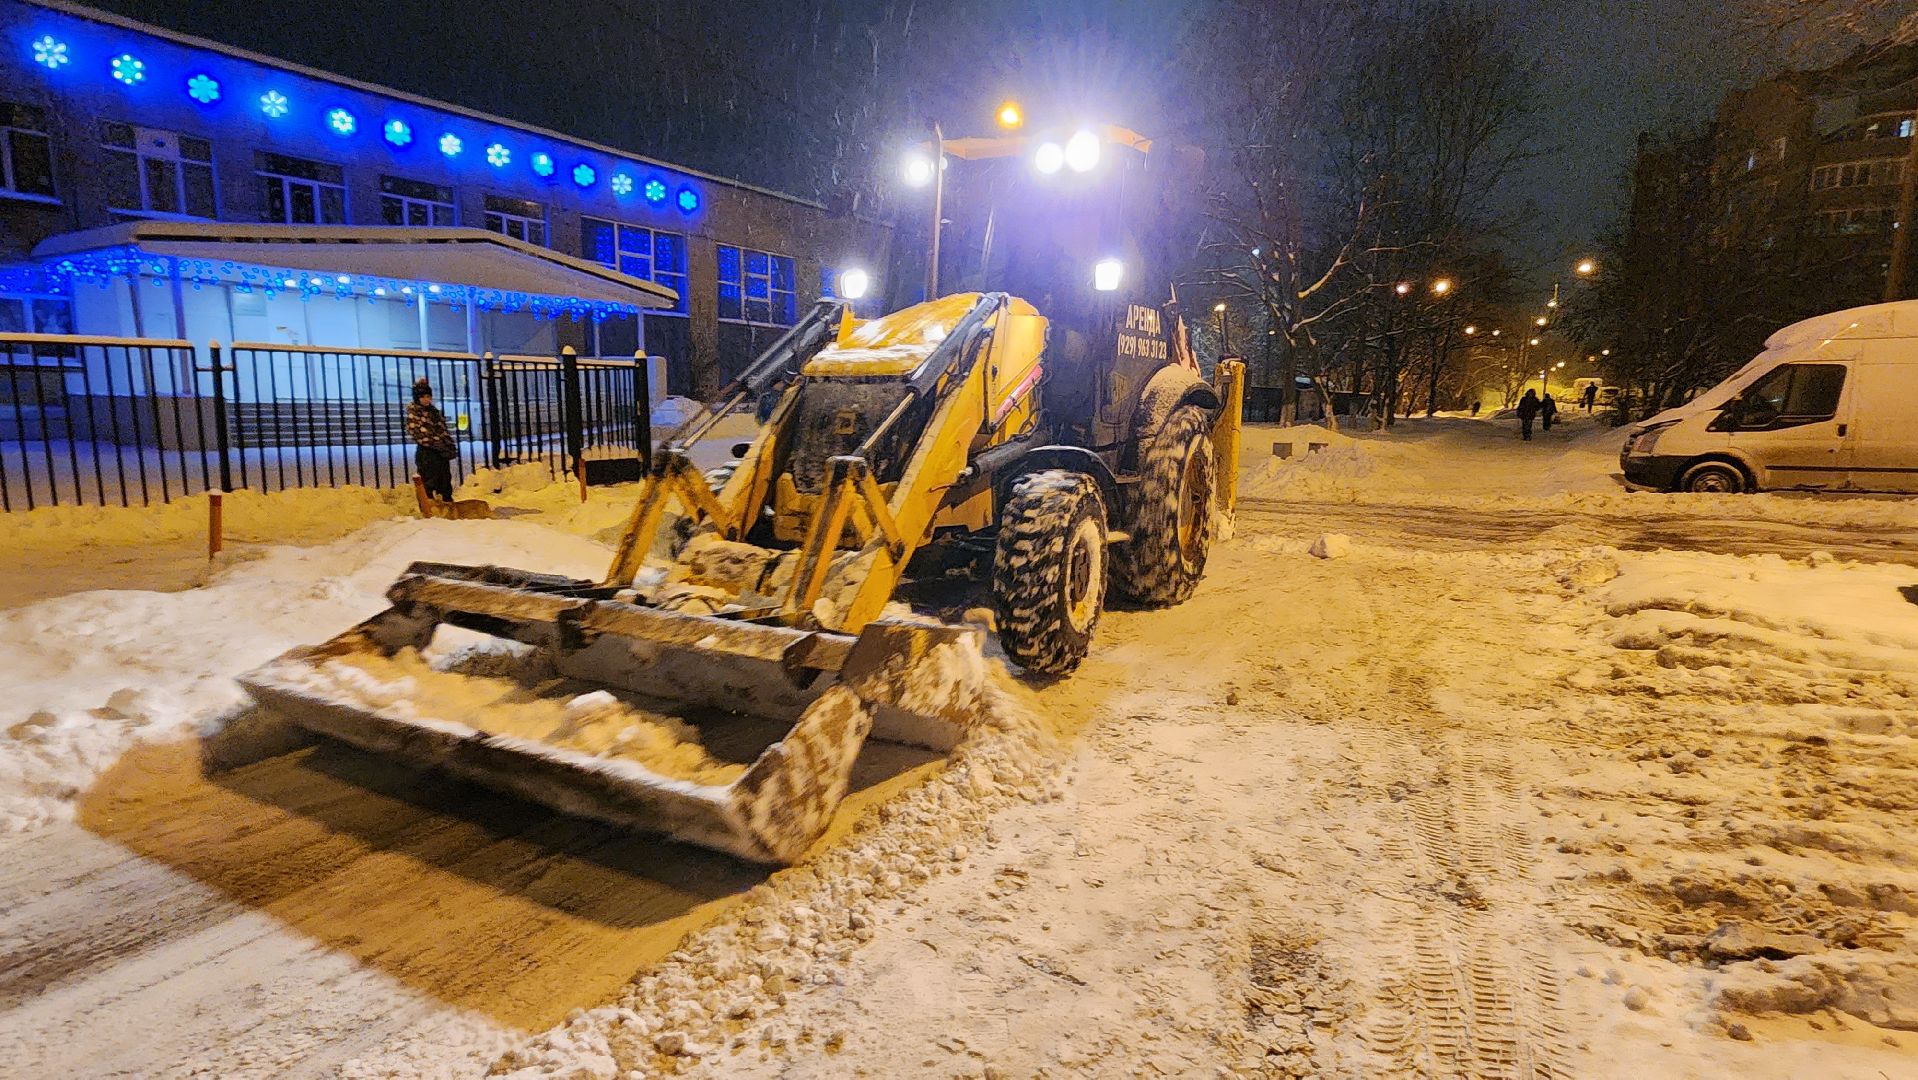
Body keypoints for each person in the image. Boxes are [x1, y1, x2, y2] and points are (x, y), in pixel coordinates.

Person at [406, 377, 458, 501]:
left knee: (444, 479)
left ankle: (446, 501)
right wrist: (435, 442)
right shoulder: (414, 413)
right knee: (429, 479)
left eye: (428, 396)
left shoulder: (434, 412)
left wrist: (447, 444)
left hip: (440, 451)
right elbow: (417, 433)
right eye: (423, 397)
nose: (426, 399)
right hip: (427, 452)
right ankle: (428, 503)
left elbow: (442, 429)